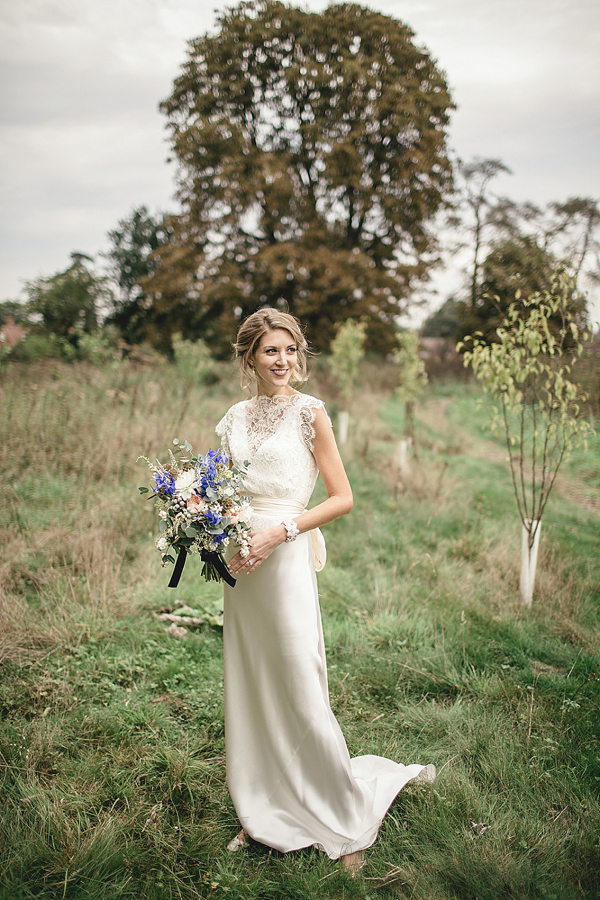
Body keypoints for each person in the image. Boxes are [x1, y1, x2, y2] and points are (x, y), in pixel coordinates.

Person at [215, 308, 434, 874]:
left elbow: (343, 497)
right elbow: (220, 489)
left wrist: (281, 531)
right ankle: (262, 805)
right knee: (252, 681)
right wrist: (215, 527)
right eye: (270, 351)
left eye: (290, 350)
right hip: (241, 565)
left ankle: (339, 809)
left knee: (298, 677)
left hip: (284, 557)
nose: (282, 360)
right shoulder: (233, 419)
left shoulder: (312, 416)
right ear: (250, 358)